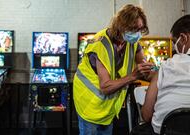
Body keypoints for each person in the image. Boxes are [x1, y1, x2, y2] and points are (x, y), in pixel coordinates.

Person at [73, 4, 154, 135]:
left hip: (107, 108)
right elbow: (105, 87)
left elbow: (146, 71)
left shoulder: (132, 43)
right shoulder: (101, 44)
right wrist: (133, 76)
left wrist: (164, 73)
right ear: (122, 26)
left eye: (140, 29)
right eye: (134, 29)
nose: (137, 34)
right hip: (89, 103)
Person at [131, 14, 190, 135]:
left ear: (184, 38)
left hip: (166, 131)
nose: (174, 47)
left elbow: (146, 115)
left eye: (174, 42)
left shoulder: (166, 66)